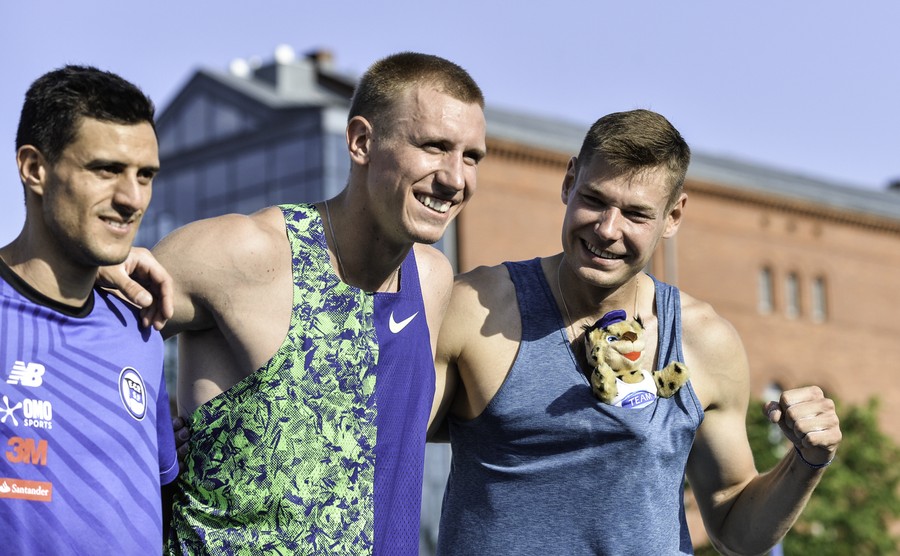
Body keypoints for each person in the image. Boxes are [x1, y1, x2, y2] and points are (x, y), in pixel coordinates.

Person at [432, 109, 842, 555]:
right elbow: (388, 443)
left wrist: (806, 462)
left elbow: (736, 530)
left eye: (635, 214)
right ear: (568, 182)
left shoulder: (703, 341)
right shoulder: (474, 308)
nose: (608, 229)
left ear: (673, 216)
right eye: (594, 200)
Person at [138, 52, 486, 554]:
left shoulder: (431, 280)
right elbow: (84, 341)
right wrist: (146, 440)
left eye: (471, 157)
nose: (455, 178)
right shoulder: (244, 252)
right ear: (361, 141)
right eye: (434, 147)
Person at [0, 65, 178, 554]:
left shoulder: (139, 328)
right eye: (106, 170)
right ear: (34, 168)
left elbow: (161, 492)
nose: (132, 199)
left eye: (145, 175)